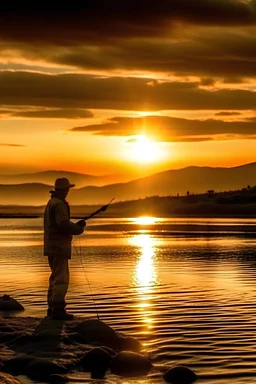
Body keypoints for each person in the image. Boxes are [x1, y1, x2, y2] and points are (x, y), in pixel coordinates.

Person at [44, 177, 86, 320]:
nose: (68, 191)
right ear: (65, 190)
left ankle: (51, 309)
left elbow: (61, 223)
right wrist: (78, 229)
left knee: (54, 278)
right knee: (61, 279)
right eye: (68, 188)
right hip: (59, 247)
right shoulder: (59, 204)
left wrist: (74, 225)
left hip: (52, 246)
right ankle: (58, 311)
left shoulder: (51, 202)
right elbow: (63, 224)